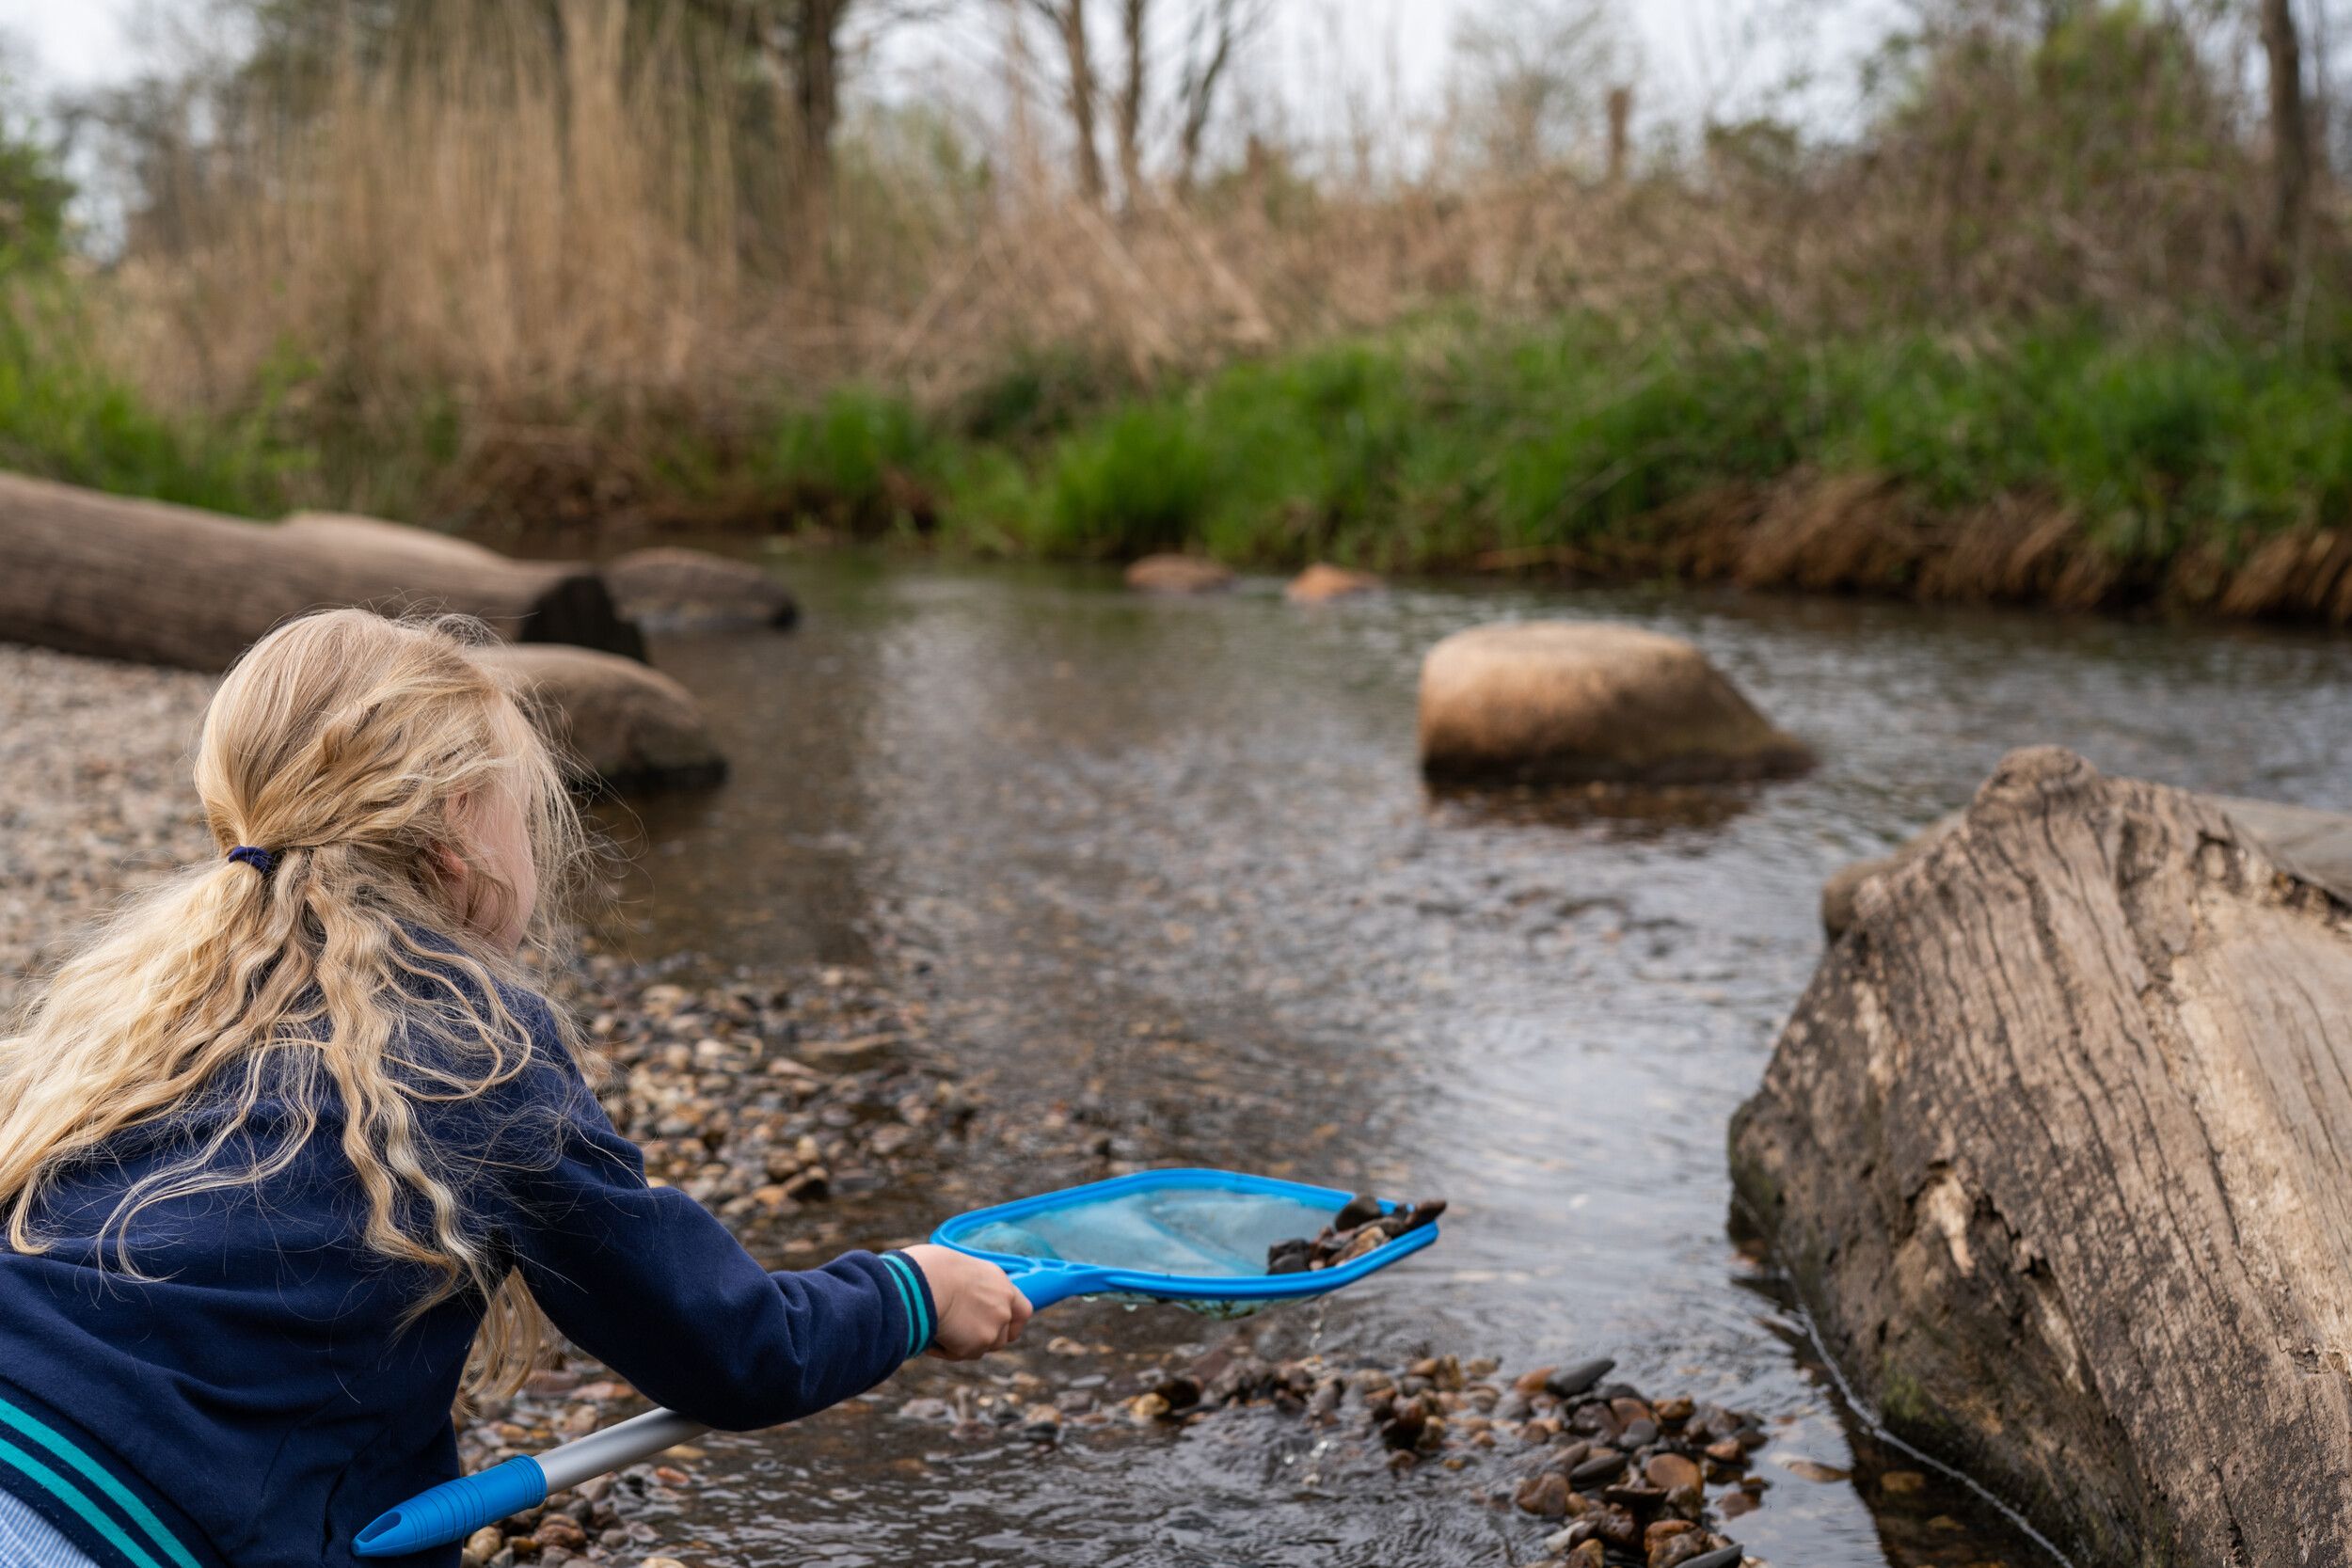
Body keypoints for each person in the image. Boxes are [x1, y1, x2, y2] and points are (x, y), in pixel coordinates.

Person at [0, 610, 1030, 1568]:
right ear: (457, 828)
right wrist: (915, 1289)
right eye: (527, 810)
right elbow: (728, 1346)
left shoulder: (144, 1001)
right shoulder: (473, 1043)